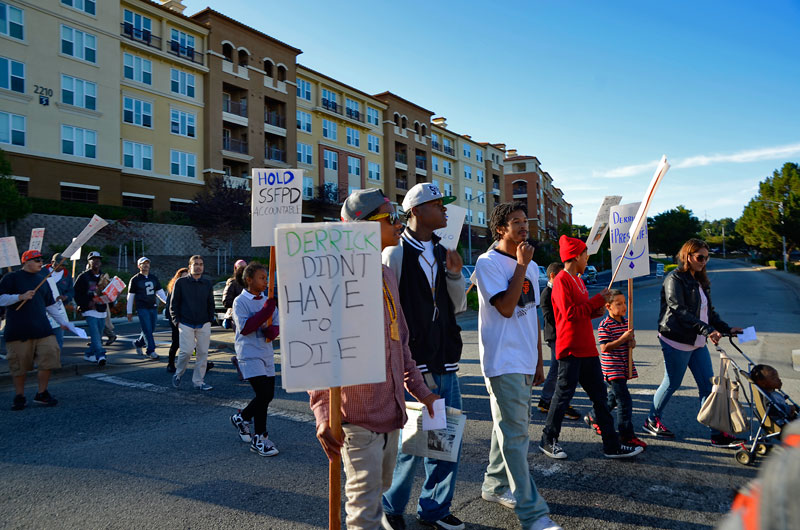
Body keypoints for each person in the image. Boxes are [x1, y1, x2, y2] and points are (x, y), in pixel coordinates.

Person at [309, 188, 439, 530]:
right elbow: (317, 350)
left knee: (378, 493)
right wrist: (323, 413)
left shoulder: (386, 276)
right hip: (356, 417)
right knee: (364, 511)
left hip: (391, 414)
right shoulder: (335, 280)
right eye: (390, 218)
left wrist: (423, 393)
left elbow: (402, 344)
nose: (399, 224)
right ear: (363, 228)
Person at [381, 183, 467, 530]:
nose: (445, 211)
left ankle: (434, 508)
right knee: (410, 442)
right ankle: (390, 506)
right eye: (437, 205)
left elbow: (458, 306)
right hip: (411, 363)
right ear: (415, 210)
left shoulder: (446, 250)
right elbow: (390, 312)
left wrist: (455, 274)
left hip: (445, 358)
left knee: (445, 440)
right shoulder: (395, 254)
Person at [474, 202, 561, 530]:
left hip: (524, 359)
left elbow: (532, 316)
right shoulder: (487, 263)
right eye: (516, 222)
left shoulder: (533, 265)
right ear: (501, 229)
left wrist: (538, 359)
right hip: (502, 360)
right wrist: (521, 266)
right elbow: (508, 309)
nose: (524, 227)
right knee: (516, 434)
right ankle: (532, 510)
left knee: (509, 426)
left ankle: (494, 485)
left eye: (525, 221)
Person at [539, 235, 642, 460]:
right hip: (571, 349)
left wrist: (597, 309)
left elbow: (583, 311)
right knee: (562, 397)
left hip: (587, 348)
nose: (587, 259)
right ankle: (548, 439)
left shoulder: (577, 279)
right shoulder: (562, 280)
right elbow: (570, 314)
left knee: (600, 398)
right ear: (576, 256)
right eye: (585, 255)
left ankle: (611, 445)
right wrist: (595, 301)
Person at [644, 238, 744, 447]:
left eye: (707, 258)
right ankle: (651, 420)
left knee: (709, 387)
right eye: (700, 257)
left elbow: (708, 313)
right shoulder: (675, 279)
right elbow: (678, 310)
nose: (704, 262)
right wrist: (707, 330)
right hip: (676, 339)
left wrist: (726, 328)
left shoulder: (700, 281)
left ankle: (717, 434)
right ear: (687, 256)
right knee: (672, 383)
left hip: (697, 341)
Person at [0, 250, 70, 410]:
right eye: (36, 259)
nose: (40, 262)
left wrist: (63, 322)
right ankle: (19, 395)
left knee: (49, 357)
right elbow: (1, 299)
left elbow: (50, 305)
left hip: (43, 329)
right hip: (18, 331)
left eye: (41, 259)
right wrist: (19, 297)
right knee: (19, 365)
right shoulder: (11, 278)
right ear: (26, 261)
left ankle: (42, 393)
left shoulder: (43, 280)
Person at [229, 262, 280, 456]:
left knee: (267, 396)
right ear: (249, 279)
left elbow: (275, 326)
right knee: (264, 394)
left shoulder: (267, 300)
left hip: (265, 352)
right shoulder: (240, 301)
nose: (266, 281)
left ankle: (242, 417)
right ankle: (260, 438)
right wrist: (265, 312)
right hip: (249, 353)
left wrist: (272, 330)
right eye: (262, 278)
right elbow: (245, 328)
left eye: (267, 278)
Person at [584, 289, 647, 448]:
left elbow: (630, 342)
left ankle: (593, 417)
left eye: (624, 302)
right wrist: (623, 338)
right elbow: (605, 347)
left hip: (624, 366)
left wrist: (631, 342)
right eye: (618, 304)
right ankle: (626, 435)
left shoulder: (627, 322)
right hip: (613, 369)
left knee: (612, 398)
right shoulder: (605, 325)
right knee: (624, 401)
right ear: (608, 307)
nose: (623, 306)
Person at [536, 261, 580, 421]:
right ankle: (547, 400)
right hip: (555, 335)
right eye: (562, 276)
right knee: (558, 368)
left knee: (560, 368)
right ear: (553, 276)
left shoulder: (561, 290)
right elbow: (549, 317)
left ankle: (550, 400)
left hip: (564, 334)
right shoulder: (547, 293)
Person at [169, 255, 215, 391]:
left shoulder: (207, 283)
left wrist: (210, 320)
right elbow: (173, 304)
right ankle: (178, 374)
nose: (199, 266)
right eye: (195, 264)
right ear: (190, 267)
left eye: (201, 264)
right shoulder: (181, 283)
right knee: (187, 351)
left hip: (204, 322)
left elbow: (210, 303)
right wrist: (176, 321)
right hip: (185, 322)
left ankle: (198, 381)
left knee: (202, 353)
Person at [127, 257, 167, 360]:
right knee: (147, 330)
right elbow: (130, 296)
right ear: (138, 266)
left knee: (151, 328)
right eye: (143, 263)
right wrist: (129, 311)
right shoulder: (135, 279)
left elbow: (160, 292)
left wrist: (168, 302)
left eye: (147, 263)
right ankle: (151, 350)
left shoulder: (153, 278)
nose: (145, 265)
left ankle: (138, 343)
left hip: (152, 307)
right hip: (142, 307)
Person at [74, 251, 109, 366]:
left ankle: (89, 354)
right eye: (93, 259)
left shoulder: (104, 276)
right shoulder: (83, 277)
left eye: (98, 259)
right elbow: (76, 293)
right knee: (95, 334)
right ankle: (101, 355)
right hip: (89, 311)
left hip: (101, 310)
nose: (96, 261)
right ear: (89, 262)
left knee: (98, 336)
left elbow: (109, 293)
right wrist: (85, 303)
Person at [164, 267, 188, 373]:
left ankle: (202, 364)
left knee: (192, 342)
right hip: (177, 319)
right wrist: (175, 320)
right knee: (176, 342)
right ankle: (170, 363)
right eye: (183, 277)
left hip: (188, 318)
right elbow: (170, 306)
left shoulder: (190, 288)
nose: (185, 279)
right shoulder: (174, 289)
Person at [222, 259, 247, 330]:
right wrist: (239, 304)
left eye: (245, 268)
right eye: (241, 268)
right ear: (236, 269)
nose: (243, 270)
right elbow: (226, 301)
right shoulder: (232, 283)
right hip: (236, 316)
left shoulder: (249, 282)